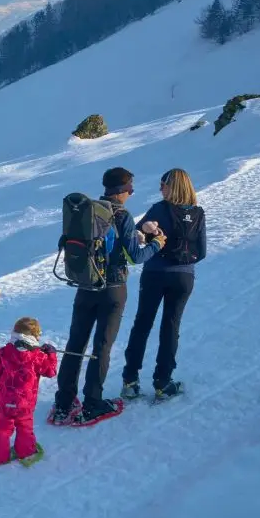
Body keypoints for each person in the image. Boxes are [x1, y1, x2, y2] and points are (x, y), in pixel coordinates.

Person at [49, 167, 165, 426]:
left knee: (75, 343)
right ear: (122, 191)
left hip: (85, 284)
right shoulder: (122, 214)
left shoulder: (90, 211)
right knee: (101, 346)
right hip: (113, 288)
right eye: (130, 190)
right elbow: (136, 256)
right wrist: (156, 245)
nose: (131, 194)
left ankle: (63, 403)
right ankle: (93, 403)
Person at [122, 168, 208, 402]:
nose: (160, 188)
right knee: (171, 326)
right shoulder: (198, 213)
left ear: (173, 187)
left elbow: (137, 235)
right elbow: (201, 252)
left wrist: (152, 239)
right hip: (183, 277)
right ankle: (163, 381)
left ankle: (130, 380)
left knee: (142, 323)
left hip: (155, 273)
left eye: (163, 184)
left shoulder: (159, 209)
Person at [0, 317, 58, 466]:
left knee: (4, 428)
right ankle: (25, 452)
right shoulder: (37, 356)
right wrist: (51, 355)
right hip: (25, 403)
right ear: (34, 336)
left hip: (5, 399)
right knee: (24, 427)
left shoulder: (4, 352)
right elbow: (50, 371)